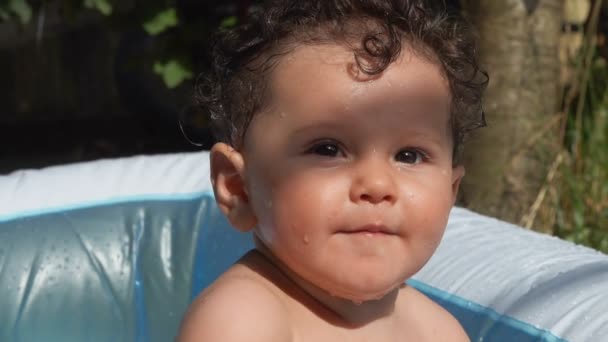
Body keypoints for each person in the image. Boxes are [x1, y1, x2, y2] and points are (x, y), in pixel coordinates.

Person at [178, 0, 487, 340]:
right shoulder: (242, 322)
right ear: (239, 189)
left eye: (409, 155)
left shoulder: (438, 332)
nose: (377, 184)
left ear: (450, 192)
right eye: (327, 149)